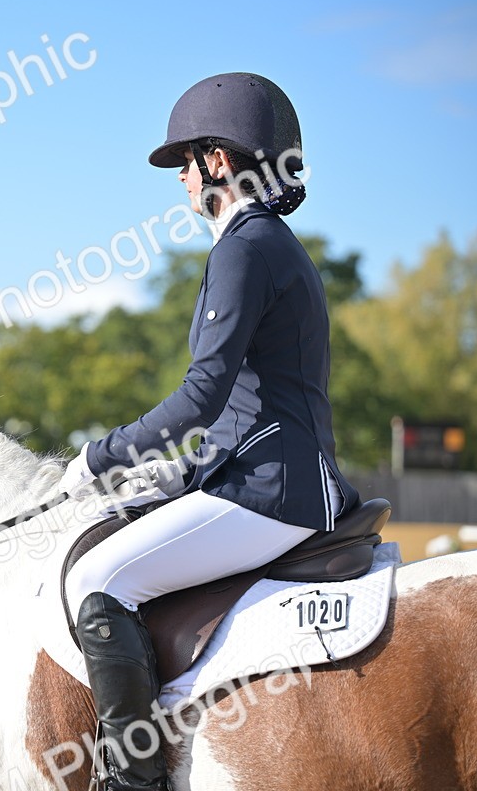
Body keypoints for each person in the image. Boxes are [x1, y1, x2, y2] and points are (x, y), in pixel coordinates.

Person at [56, 73, 360, 791]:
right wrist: (182, 472)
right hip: (264, 474)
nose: (183, 181)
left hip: (273, 491)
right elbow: (247, 402)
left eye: (187, 163)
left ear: (218, 162)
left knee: (101, 579)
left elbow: (202, 394)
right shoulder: (266, 243)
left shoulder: (245, 247)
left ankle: (135, 782)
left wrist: (100, 457)